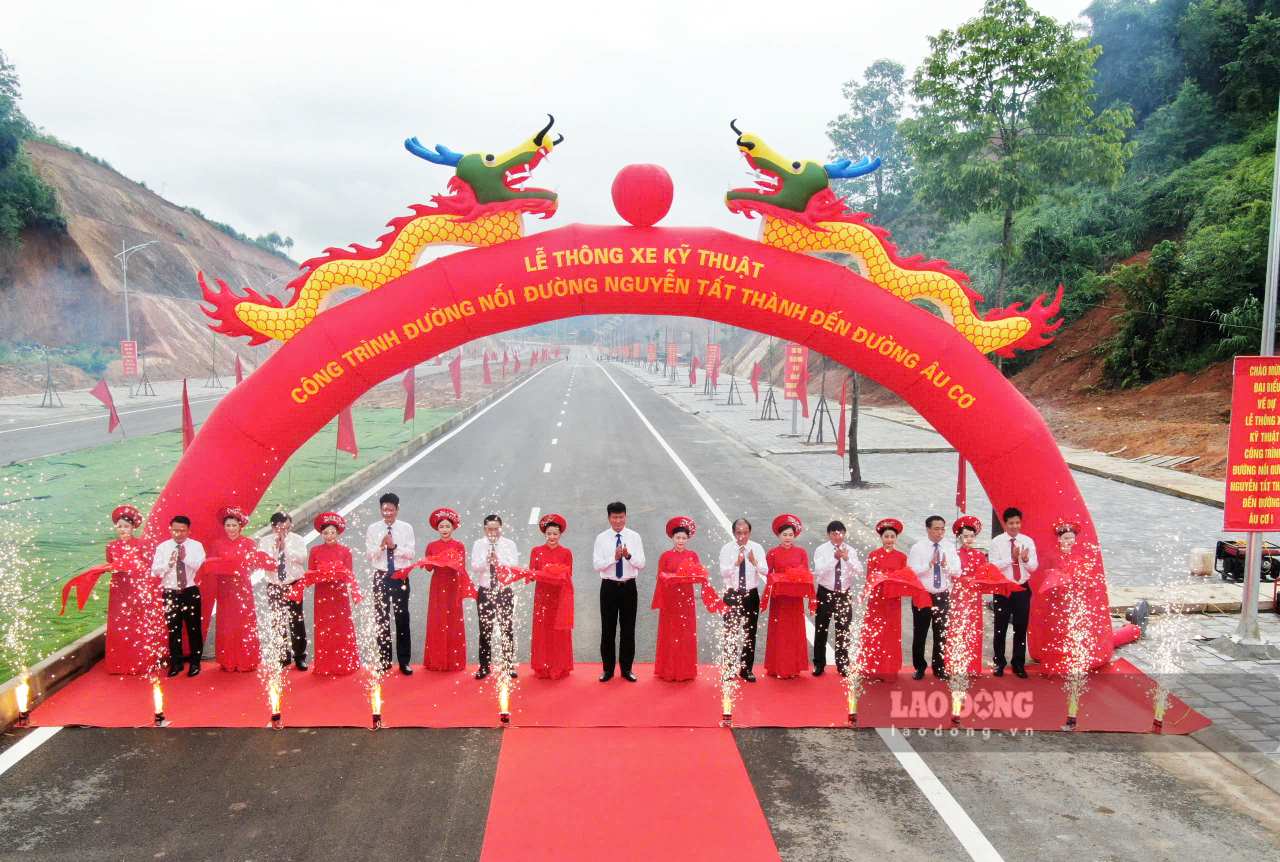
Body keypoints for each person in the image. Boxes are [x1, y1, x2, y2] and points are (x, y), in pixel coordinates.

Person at [97, 505, 164, 675]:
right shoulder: (111, 546)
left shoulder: (142, 545)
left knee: (137, 624)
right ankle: (120, 663)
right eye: (119, 526)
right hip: (119, 590)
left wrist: (134, 570)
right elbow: (111, 564)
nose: (122, 530)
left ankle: (141, 662)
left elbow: (150, 567)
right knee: (120, 625)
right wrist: (112, 568)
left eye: (126, 526)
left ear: (133, 527)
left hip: (137, 588)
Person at [592, 501, 646, 682]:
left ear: (626, 516)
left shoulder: (634, 537)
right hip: (608, 587)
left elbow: (642, 564)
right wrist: (613, 559)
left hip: (628, 586)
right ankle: (608, 670)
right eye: (614, 517)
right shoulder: (601, 538)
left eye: (621, 517)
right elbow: (596, 565)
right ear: (609, 518)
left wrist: (628, 556)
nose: (618, 521)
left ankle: (626, 669)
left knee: (628, 630)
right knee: (608, 630)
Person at [365, 492, 416, 675]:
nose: (387, 513)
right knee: (382, 619)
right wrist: (381, 547)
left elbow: (411, 553)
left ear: (397, 509)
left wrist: (394, 547)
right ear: (380, 509)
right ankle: (384, 660)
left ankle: (404, 661)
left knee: (402, 618)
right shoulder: (373, 529)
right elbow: (369, 555)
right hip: (381, 575)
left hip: (400, 575)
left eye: (391, 510)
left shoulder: (406, 528)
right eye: (384, 509)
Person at [306, 512, 361, 676]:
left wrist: (338, 575)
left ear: (338, 533)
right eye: (325, 533)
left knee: (341, 626)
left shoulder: (345, 551)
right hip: (322, 594)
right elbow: (311, 572)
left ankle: (345, 663)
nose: (329, 536)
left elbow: (349, 574)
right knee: (325, 628)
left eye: (332, 532)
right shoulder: (315, 550)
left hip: (339, 594)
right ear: (321, 534)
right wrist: (320, 576)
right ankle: (325, 664)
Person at [151, 515, 206, 677]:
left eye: (182, 531)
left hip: (189, 591)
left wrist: (184, 558)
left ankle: (195, 663)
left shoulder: (196, 546)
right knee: (174, 629)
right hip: (170, 592)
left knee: (193, 628)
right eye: (175, 530)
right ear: (170, 529)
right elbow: (155, 571)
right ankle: (176, 663)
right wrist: (168, 564)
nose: (179, 534)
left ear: (189, 531)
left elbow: (198, 565)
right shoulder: (163, 547)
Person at [906, 515, 960, 680]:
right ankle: (920, 667)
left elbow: (958, 571)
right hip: (923, 594)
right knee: (920, 632)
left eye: (942, 529)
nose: (940, 532)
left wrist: (946, 566)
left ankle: (939, 667)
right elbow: (911, 571)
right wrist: (928, 565)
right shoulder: (918, 548)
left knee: (941, 633)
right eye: (936, 529)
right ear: (928, 529)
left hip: (942, 594)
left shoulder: (949, 547)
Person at [208, 506, 261, 672]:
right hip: (225, 589)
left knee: (243, 622)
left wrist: (240, 568)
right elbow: (211, 565)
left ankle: (246, 659)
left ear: (240, 526)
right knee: (227, 623)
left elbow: (253, 565)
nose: (230, 528)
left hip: (242, 588)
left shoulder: (249, 544)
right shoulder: (217, 544)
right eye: (228, 525)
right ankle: (228, 660)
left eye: (234, 525)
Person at [989, 506, 1038, 678]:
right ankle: (999, 662)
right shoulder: (997, 542)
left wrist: (1024, 560)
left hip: (1022, 588)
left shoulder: (1028, 541)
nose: (1015, 526)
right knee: (1000, 627)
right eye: (1011, 523)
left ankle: (1018, 663)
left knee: (1020, 626)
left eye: (1017, 523)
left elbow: (1034, 567)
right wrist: (1011, 559)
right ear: (1005, 523)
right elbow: (993, 566)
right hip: (1003, 588)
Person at [469, 514, 519, 680]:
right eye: (489, 529)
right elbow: (475, 567)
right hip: (485, 591)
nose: (493, 532)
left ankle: (507, 665)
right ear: (484, 529)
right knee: (485, 630)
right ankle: (484, 666)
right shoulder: (478, 544)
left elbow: (514, 566)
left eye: (496, 529)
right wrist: (486, 561)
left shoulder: (509, 544)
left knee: (507, 628)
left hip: (504, 591)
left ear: (500, 528)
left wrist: (498, 562)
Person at [717, 518, 768, 682]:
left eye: (745, 533)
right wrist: (735, 563)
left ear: (749, 532)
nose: (742, 536)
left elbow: (765, 571)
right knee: (730, 633)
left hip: (750, 595)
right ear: (734, 533)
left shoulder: (757, 548)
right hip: (732, 594)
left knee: (749, 633)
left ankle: (746, 670)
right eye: (739, 533)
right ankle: (729, 669)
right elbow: (724, 573)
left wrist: (754, 562)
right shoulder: (727, 549)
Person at [811, 520, 863, 677]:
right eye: (834, 533)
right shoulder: (821, 550)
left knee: (843, 630)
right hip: (825, 592)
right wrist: (835, 558)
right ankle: (819, 664)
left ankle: (843, 664)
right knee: (821, 629)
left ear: (844, 533)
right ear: (828, 535)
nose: (838, 536)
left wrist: (847, 559)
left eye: (840, 533)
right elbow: (819, 572)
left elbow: (859, 572)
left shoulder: (851, 550)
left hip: (843, 593)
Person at [857, 518, 907, 680]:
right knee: (875, 633)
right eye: (886, 537)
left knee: (891, 634)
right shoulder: (873, 555)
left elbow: (905, 578)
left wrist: (894, 581)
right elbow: (870, 577)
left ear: (896, 538)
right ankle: (872, 667)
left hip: (893, 600)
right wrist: (881, 580)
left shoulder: (901, 557)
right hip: (877, 600)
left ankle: (889, 668)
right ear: (881, 538)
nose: (889, 540)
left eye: (892, 537)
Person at [652, 516, 701, 682]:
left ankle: (685, 670)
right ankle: (668, 670)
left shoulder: (692, 555)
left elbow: (697, 575)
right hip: (670, 600)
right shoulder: (665, 556)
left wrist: (690, 576)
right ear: (672, 538)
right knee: (670, 633)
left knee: (685, 634)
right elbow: (660, 576)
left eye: (684, 538)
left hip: (686, 599)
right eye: (678, 537)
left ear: (688, 539)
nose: (680, 541)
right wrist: (670, 578)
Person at [258, 511, 309, 671]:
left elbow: (302, 558)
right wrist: (275, 550)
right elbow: (263, 562)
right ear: (273, 527)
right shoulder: (265, 542)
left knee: (296, 621)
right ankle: (282, 656)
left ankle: (300, 656)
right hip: (275, 585)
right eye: (279, 528)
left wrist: (285, 549)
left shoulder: (297, 539)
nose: (283, 531)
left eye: (286, 527)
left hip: (294, 583)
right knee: (278, 621)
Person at [764, 514, 811, 680]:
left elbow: (805, 573)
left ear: (795, 535)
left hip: (795, 599)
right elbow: (767, 574)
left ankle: (794, 667)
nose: (788, 538)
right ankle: (777, 667)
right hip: (779, 599)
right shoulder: (772, 553)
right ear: (778, 535)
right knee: (780, 632)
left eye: (791, 535)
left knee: (794, 631)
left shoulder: (801, 552)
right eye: (784, 535)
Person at [422, 507, 468, 672]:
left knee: (453, 620)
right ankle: (437, 660)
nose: (444, 530)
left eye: (447, 526)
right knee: (437, 619)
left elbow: (461, 567)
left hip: (453, 585)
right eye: (441, 527)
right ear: (437, 528)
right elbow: (428, 568)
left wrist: (449, 561)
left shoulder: (459, 546)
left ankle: (454, 660)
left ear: (453, 527)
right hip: (437, 585)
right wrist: (430, 561)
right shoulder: (431, 546)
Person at [529, 513, 574, 680]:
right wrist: (537, 574)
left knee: (559, 631)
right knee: (542, 630)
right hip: (542, 597)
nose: (552, 537)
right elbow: (532, 573)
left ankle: (559, 666)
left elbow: (568, 574)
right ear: (544, 534)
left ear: (560, 534)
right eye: (549, 534)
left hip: (559, 597)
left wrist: (555, 573)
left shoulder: (566, 552)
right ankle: (542, 666)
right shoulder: (536, 551)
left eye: (555, 534)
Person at [948, 515, 986, 678]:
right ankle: (955, 664)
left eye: (971, 536)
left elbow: (984, 575)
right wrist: (963, 579)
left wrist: (977, 580)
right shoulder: (954, 554)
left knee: (973, 629)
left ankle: (972, 666)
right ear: (959, 537)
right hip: (958, 595)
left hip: (973, 597)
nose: (969, 539)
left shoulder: (980, 556)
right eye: (965, 536)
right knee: (958, 628)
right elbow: (951, 574)